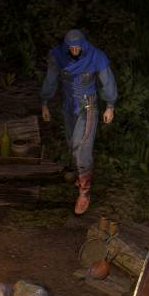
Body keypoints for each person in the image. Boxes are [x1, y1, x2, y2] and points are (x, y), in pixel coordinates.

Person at [39, 28, 117, 215]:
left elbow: (107, 81)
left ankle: (84, 192)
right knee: (71, 143)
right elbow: (51, 79)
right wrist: (45, 103)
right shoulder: (58, 56)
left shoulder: (96, 56)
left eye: (77, 47)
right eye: (71, 47)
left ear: (83, 45)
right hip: (68, 105)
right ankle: (78, 174)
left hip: (86, 107)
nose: (74, 50)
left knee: (82, 149)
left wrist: (110, 105)